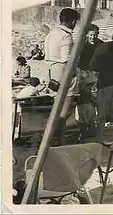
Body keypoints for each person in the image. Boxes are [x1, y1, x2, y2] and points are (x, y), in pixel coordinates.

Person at [44, 8, 80, 146]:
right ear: (73, 21)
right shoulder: (66, 36)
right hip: (63, 73)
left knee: (56, 109)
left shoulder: (51, 34)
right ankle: (58, 139)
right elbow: (67, 60)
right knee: (64, 112)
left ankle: (58, 139)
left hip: (52, 72)